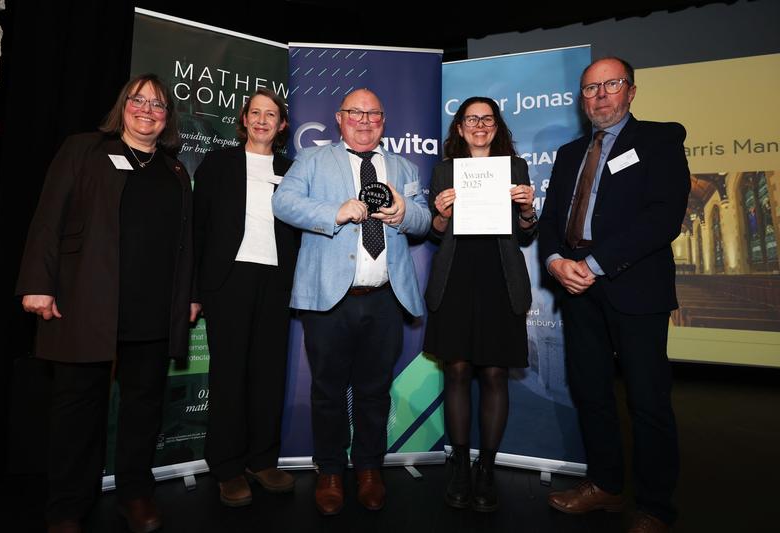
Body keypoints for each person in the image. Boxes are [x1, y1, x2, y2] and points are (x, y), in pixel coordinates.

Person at [16, 73, 197, 533]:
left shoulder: (175, 171)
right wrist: (38, 283)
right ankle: (67, 507)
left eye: (158, 105)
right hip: (85, 301)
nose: (147, 110)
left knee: (143, 408)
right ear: (123, 105)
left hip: (151, 309)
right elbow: (48, 217)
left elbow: (186, 244)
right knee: (77, 409)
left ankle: (135, 493)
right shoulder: (84, 149)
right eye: (139, 100)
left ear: (167, 118)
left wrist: (189, 296)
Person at [538, 57, 690, 533]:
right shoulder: (569, 153)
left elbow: (662, 218)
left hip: (634, 287)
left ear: (631, 90)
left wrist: (594, 264)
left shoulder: (660, 140)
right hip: (576, 289)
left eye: (611, 84)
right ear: (581, 99)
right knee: (591, 392)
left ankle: (655, 507)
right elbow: (551, 221)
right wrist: (554, 261)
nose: (601, 94)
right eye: (590, 88)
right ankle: (605, 485)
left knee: (648, 400)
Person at [272, 88, 431, 516]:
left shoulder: (403, 167)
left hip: (384, 299)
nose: (365, 121)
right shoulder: (311, 160)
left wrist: (402, 212)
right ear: (340, 119)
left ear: (383, 121)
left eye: (373, 114)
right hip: (330, 297)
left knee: (375, 390)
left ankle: (369, 468)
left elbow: (423, 220)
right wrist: (335, 212)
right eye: (355, 113)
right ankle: (329, 470)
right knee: (327, 390)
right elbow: (283, 202)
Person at [424, 96, 537, 512]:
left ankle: (486, 467)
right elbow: (436, 232)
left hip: (499, 278)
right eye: (471, 119)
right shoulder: (444, 171)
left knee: (493, 372)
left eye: (487, 119)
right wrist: (439, 214)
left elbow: (526, 233)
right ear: (459, 127)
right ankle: (459, 466)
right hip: (455, 277)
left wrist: (527, 209)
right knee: (456, 369)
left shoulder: (515, 168)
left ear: (497, 126)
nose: (479, 125)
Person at [192, 89, 299, 506]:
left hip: (277, 281)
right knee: (229, 374)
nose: (262, 120)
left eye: (271, 114)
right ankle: (227, 465)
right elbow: (198, 228)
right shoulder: (218, 163)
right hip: (228, 279)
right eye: (255, 112)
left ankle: (262, 460)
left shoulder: (292, 170)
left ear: (281, 124)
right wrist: (195, 290)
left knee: (268, 374)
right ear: (244, 119)